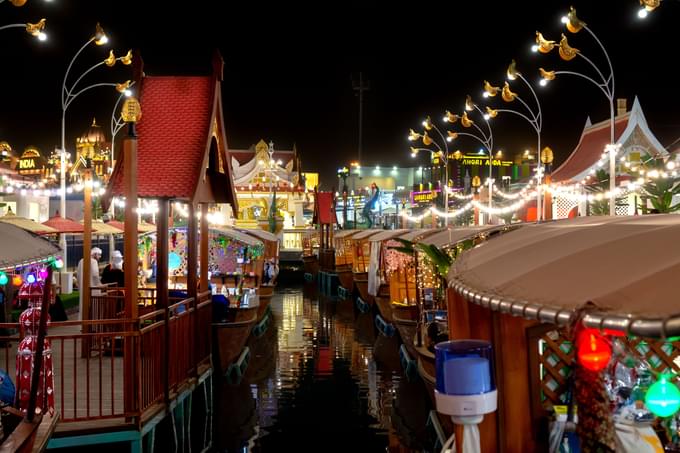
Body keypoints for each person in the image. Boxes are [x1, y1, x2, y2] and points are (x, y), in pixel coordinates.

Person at [76, 247, 102, 320]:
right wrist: (99, 284)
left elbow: (77, 275)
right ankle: (93, 323)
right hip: (93, 288)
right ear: (95, 254)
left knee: (83, 305)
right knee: (94, 306)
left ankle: (83, 322)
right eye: (99, 255)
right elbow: (95, 274)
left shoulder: (81, 261)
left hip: (83, 287)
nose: (100, 257)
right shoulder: (94, 261)